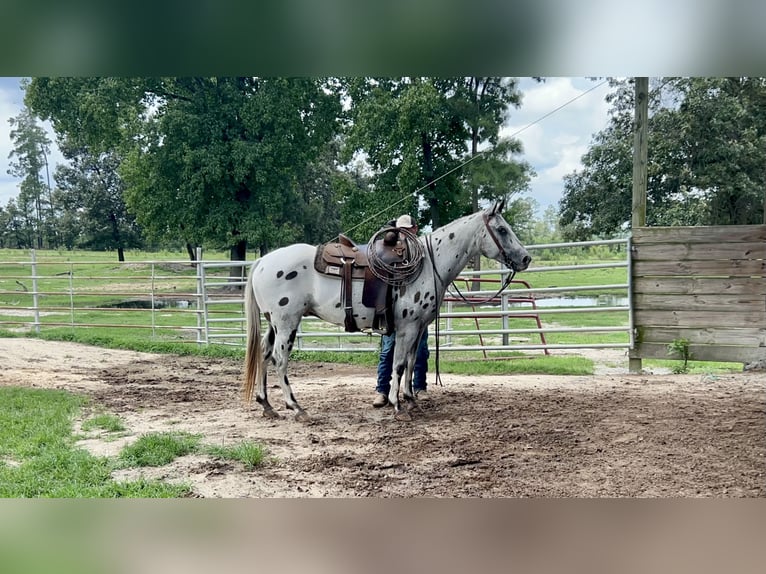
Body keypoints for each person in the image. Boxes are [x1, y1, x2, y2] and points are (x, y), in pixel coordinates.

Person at [373, 214, 430, 407]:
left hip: (417, 308)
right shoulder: (390, 251)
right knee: (388, 350)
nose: (405, 233)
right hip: (394, 309)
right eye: (401, 229)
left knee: (420, 350)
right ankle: (382, 390)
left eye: (408, 229)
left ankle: (419, 387)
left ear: (415, 229)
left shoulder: (422, 250)